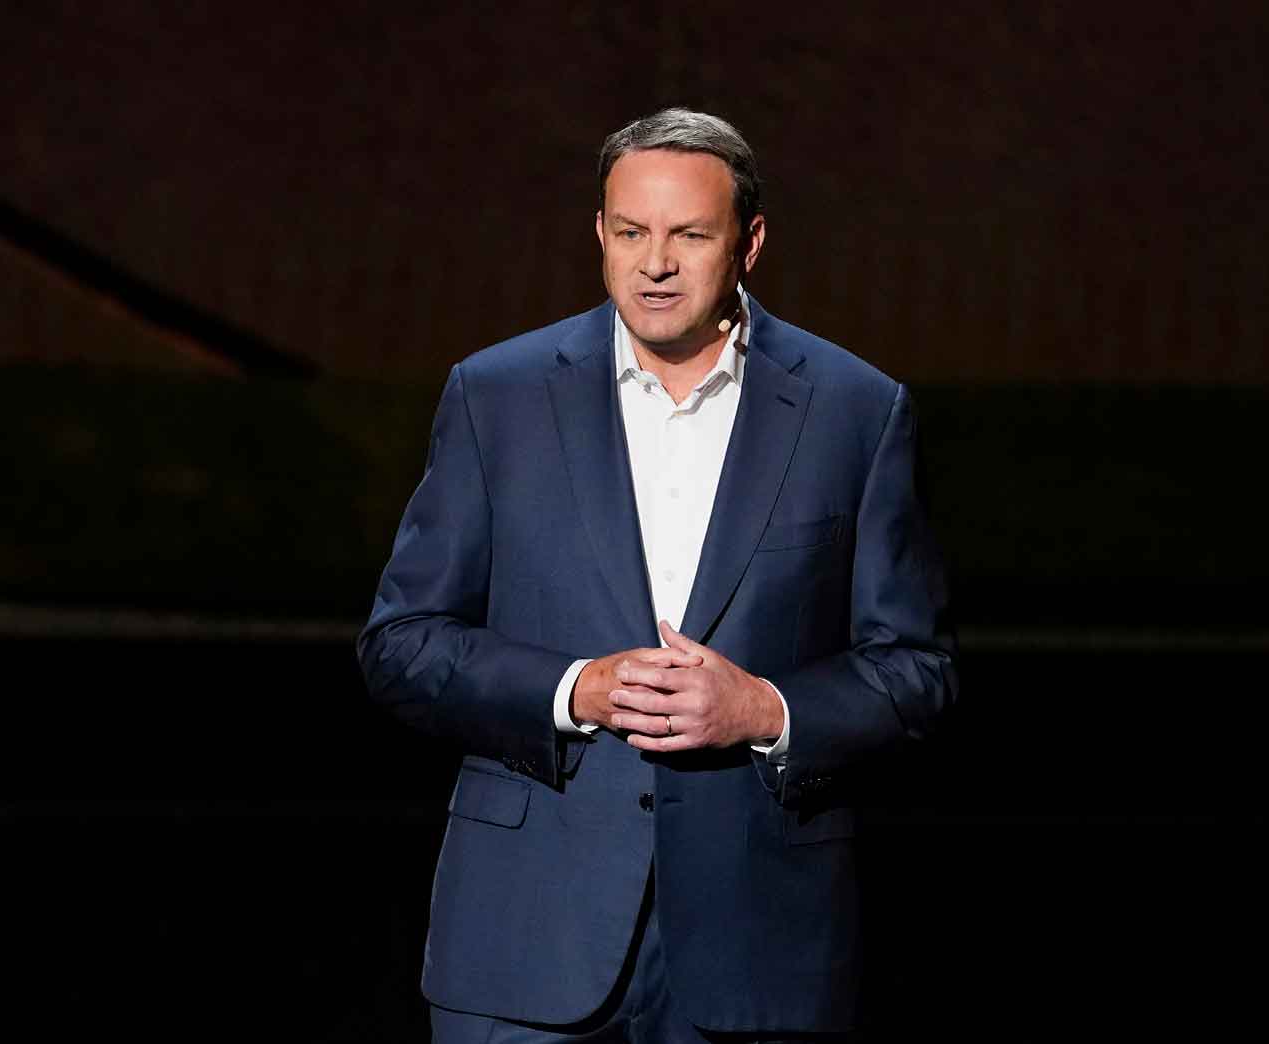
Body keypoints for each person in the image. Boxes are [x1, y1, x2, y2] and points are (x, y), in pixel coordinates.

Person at [358, 107, 957, 1042]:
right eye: (630, 231)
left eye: (688, 234)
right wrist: (573, 689)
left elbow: (916, 671)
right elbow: (400, 644)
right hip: (526, 941)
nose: (654, 263)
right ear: (599, 232)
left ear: (749, 242)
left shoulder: (856, 410)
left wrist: (765, 710)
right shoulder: (498, 395)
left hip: (759, 947)